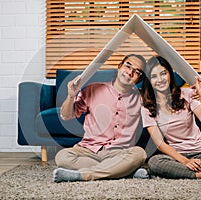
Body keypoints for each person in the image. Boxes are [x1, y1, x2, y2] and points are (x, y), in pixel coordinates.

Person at [141, 56, 201, 179]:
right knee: (154, 162)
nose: (160, 79)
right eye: (154, 76)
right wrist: (185, 161)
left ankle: (182, 172)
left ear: (170, 74)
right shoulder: (147, 107)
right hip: (176, 157)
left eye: (163, 73)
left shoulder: (186, 94)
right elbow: (160, 143)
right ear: (148, 80)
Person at [53, 54, 149, 182]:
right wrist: (71, 96)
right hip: (88, 150)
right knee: (62, 157)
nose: (130, 72)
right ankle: (123, 171)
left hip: (119, 152)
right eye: (128, 66)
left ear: (139, 79)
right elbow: (66, 115)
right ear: (119, 66)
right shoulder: (93, 89)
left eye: (137, 72)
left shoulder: (142, 98)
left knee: (140, 154)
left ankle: (83, 175)